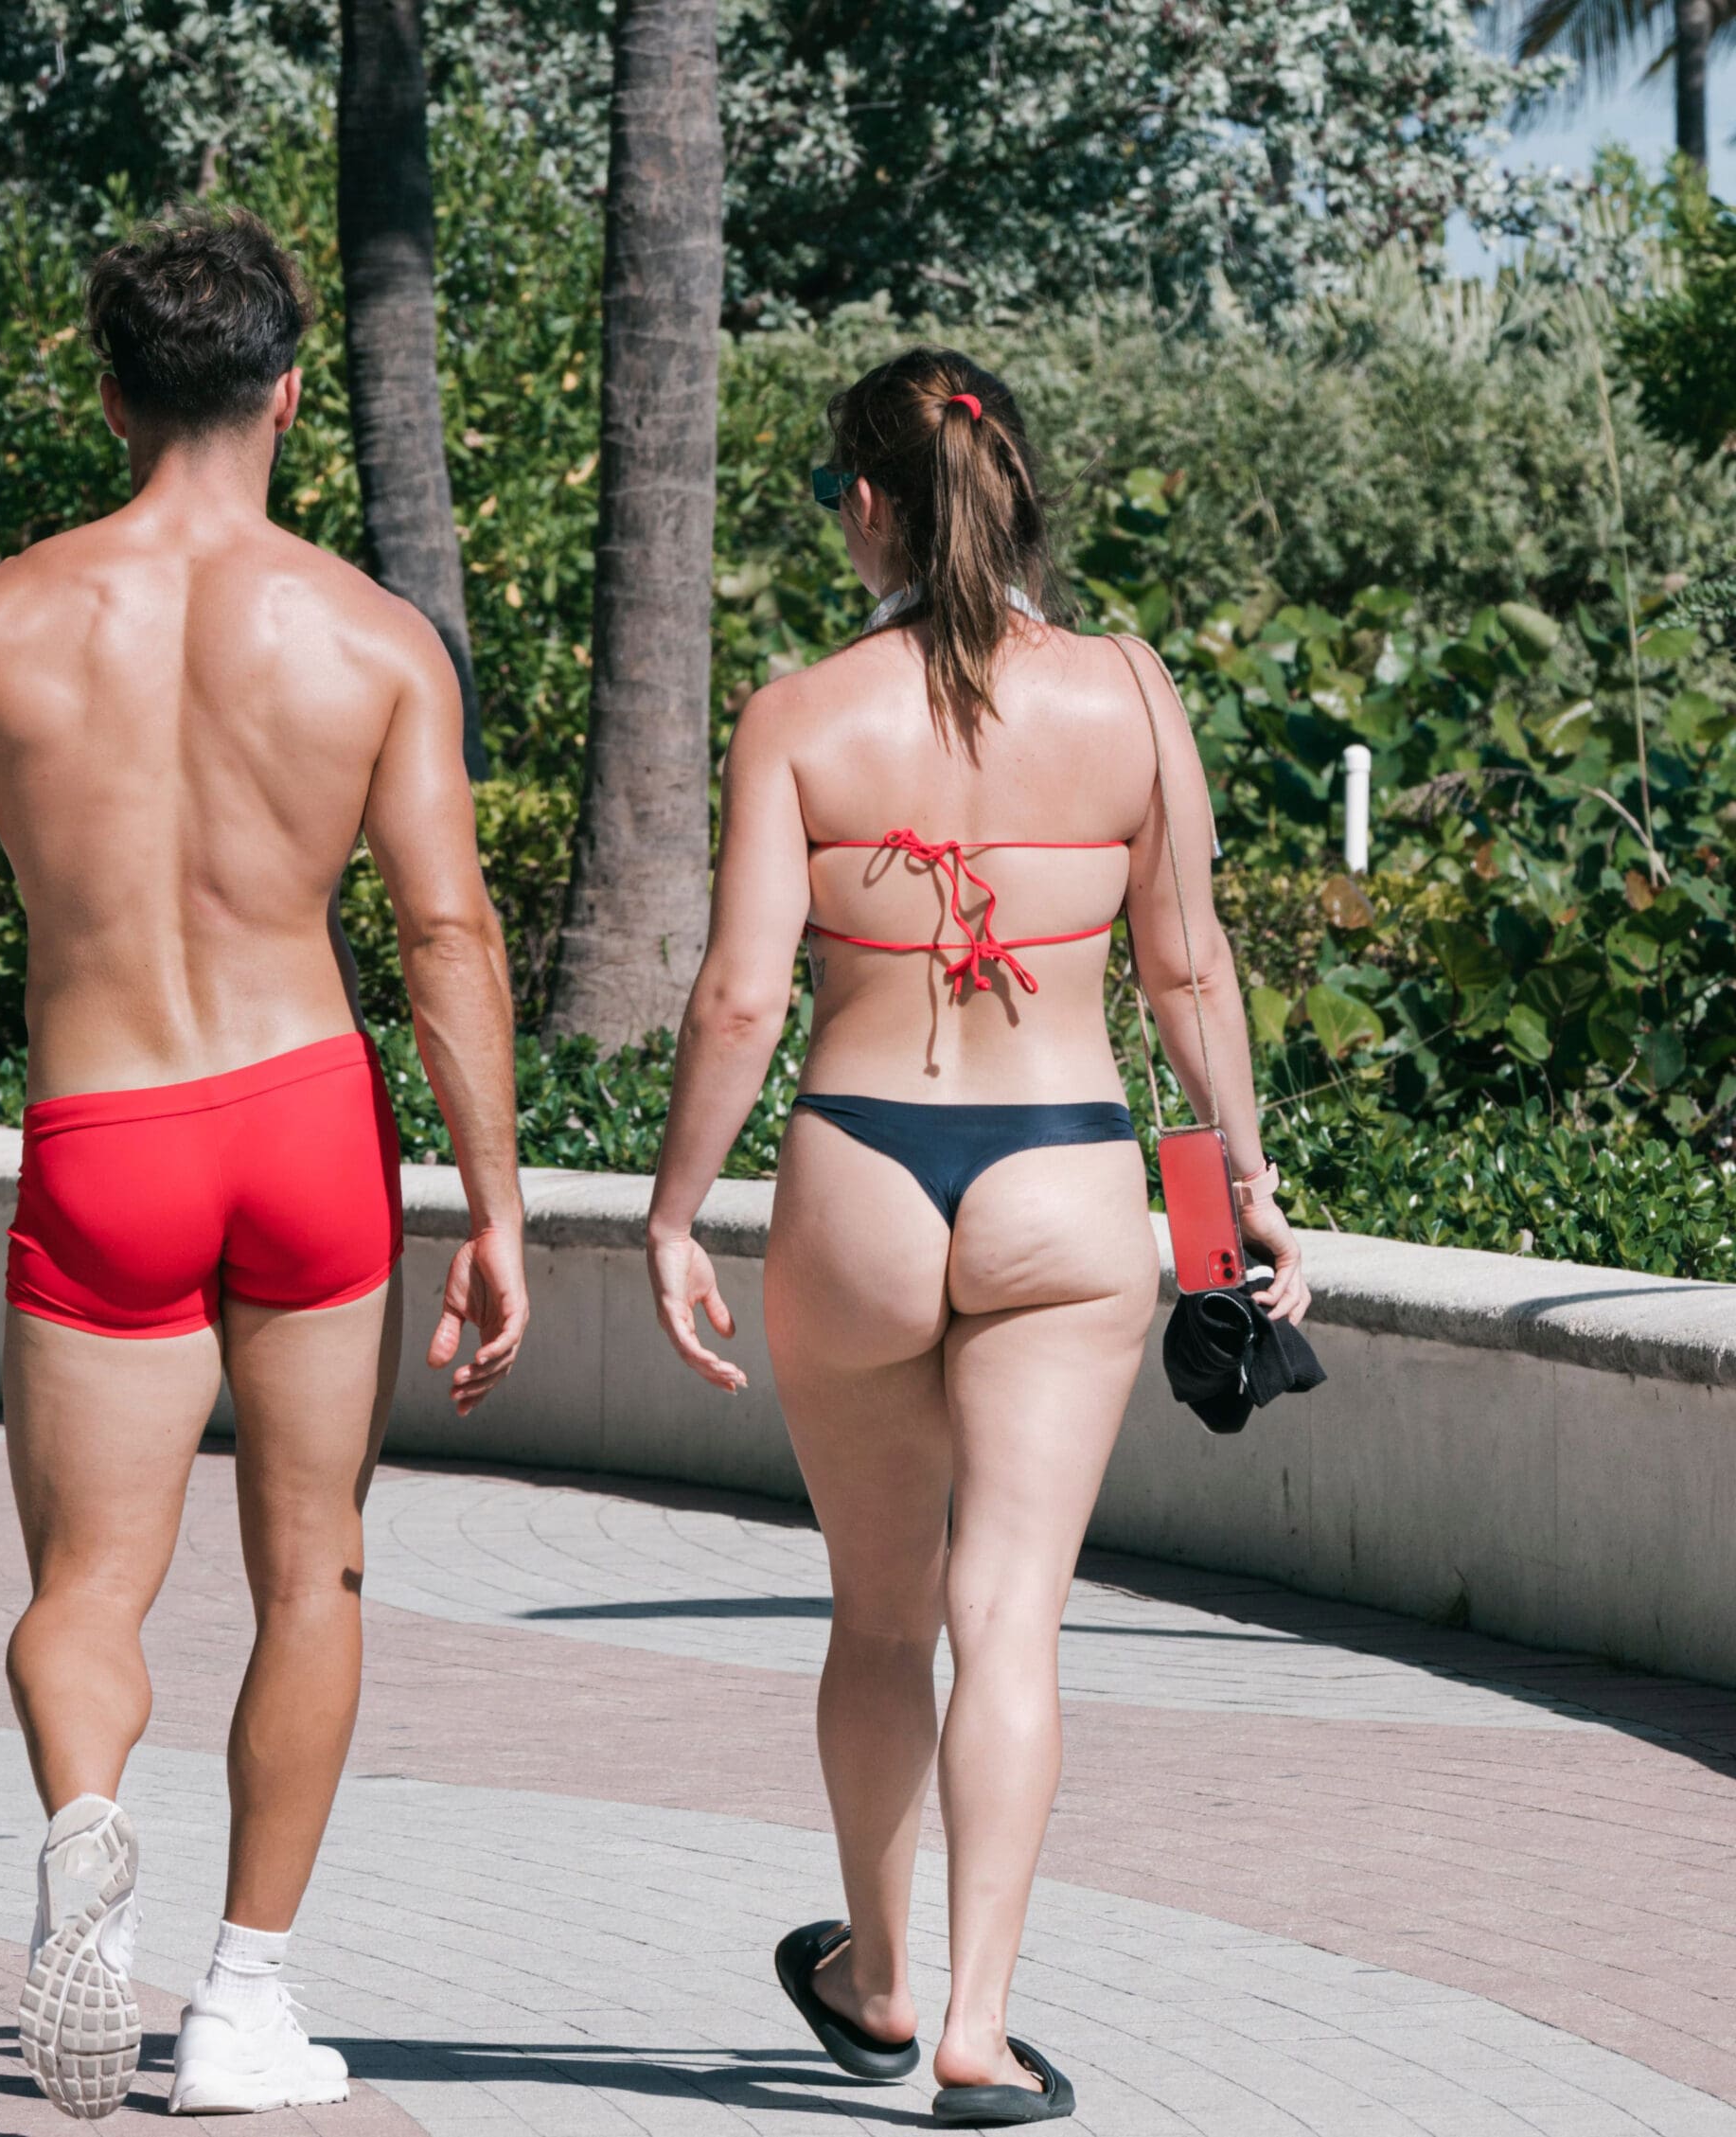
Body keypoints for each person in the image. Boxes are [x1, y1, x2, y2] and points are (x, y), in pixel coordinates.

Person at [0, 205, 529, 2119]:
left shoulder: (1, 617)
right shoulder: (375, 638)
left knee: (84, 1588)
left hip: (107, 1129)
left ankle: (79, 1834)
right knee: (314, 1577)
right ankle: (240, 2006)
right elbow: (447, 940)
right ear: (290, 391)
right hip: (306, 1125)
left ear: (113, 392)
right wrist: (494, 1209)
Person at [642, 347, 1305, 2125]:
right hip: (1067, 1174)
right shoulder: (1129, 695)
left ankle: (871, 1966)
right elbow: (1187, 972)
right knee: (1010, 1617)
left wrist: (672, 1211)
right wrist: (1238, 1193)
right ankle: (977, 2031)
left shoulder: (797, 714)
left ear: (865, 506)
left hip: (861, 1166)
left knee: (881, 1613)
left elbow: (734, 1000)